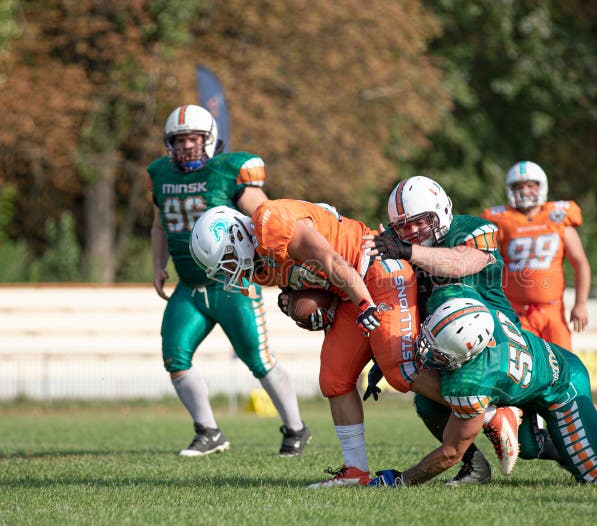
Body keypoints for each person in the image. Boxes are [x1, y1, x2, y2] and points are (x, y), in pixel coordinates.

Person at [190, 201, 507, 487]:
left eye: (229, 258)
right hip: (349, 291)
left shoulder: (271, 224)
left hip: (378, 272)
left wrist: (365, 304)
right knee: (334, 379)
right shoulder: (260, 266)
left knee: (400, 370)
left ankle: (488, 410)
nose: (231, 269)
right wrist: (298, 304)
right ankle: (355, 471)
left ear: (239, 236)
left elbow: (330, 260)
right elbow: (312, 280)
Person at [364, 176, 597, 483]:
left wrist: (405, 251)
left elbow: (461, 262)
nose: (413, 232)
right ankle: (479, 460)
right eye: (403, 227)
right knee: (432, 404)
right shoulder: (404, 248)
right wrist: (388, 352)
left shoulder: (471, 230)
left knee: (588, 470)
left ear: (442, 209)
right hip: (459, 344)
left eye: (421, 222)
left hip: (496, 344)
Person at [147, 104, 308, 457]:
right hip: (189, 287)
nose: (186, 146)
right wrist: (158, 266)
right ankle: (208, 431)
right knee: (175, 357)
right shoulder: (160, 174)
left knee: (258, 359)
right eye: (179, 140)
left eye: (193, 138)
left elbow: (269, 219)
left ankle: (295, 428)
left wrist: (275, 264)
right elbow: (159, 224)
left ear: (210, 139)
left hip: (232, 284)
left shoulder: (227, 173)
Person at [366, 283, 597, 487]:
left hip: (563, 385)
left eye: (439, 354)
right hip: (522, 382)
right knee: (529, 448)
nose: (428, 355)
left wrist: (402, 479)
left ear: (468, 354)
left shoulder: (471, 380)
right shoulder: (453, 297)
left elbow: (452, 451)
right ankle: (499, 415)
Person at [480, 161, 590, 351]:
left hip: (552, 311)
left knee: (565, 367)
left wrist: (580, 303)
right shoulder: (501, 221)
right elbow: (486, 265)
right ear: (510, 190)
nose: (525, 191)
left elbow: (580, 262)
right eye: (519, 186)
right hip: (514, 312)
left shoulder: (558, 217)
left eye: (531, 185)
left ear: (542, 187)